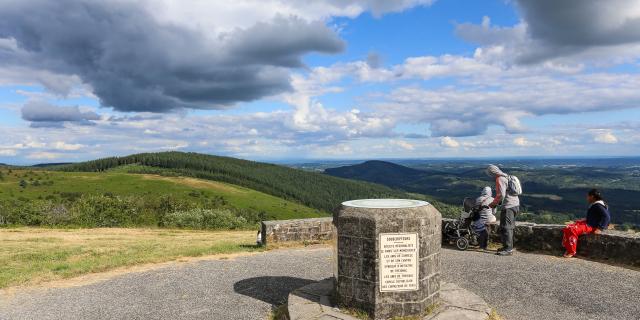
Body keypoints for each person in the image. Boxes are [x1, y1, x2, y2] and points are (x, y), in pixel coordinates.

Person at [562, 189, 611, 258]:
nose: (587, 198)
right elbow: (596, 216)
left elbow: (607, 217)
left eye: (588, 196)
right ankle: (567, 246)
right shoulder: (598, 204)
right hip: (590, 223)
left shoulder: (598, 205)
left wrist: (600, 228)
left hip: (591, 226)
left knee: (571, 229)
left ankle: (571, 251)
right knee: (568, 227)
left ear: (592, 197)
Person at [486, 165, 520, 256]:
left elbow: (501, 195)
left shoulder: (499, 179)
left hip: (509, 206)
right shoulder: (506, 176)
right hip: (516, 205)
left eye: (489, 172)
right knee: (510, 227)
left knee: (506, 227)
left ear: (492, 172)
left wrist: (493, 204)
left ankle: (508, 249)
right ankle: (508, 247)